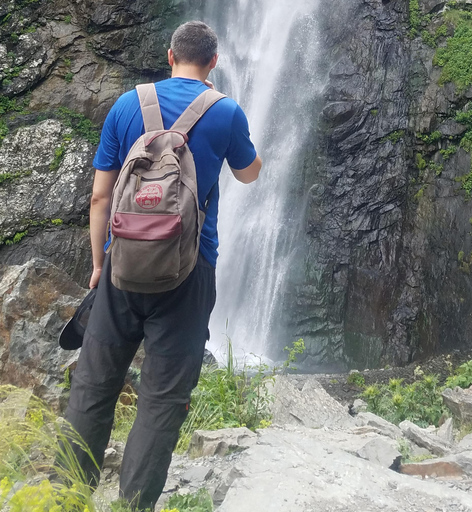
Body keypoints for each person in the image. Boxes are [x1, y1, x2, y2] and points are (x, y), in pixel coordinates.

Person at [60, 21, 262, 510]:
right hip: (190, 272)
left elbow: (99, 197)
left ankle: (65, 496)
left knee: (93, 384)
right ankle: (134, 506)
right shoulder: (226, 111)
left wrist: (98, 265)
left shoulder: (128, 105)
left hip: (121, 268)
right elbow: (250, 174)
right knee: (163, 399)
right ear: (213, 63)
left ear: (170, 56)